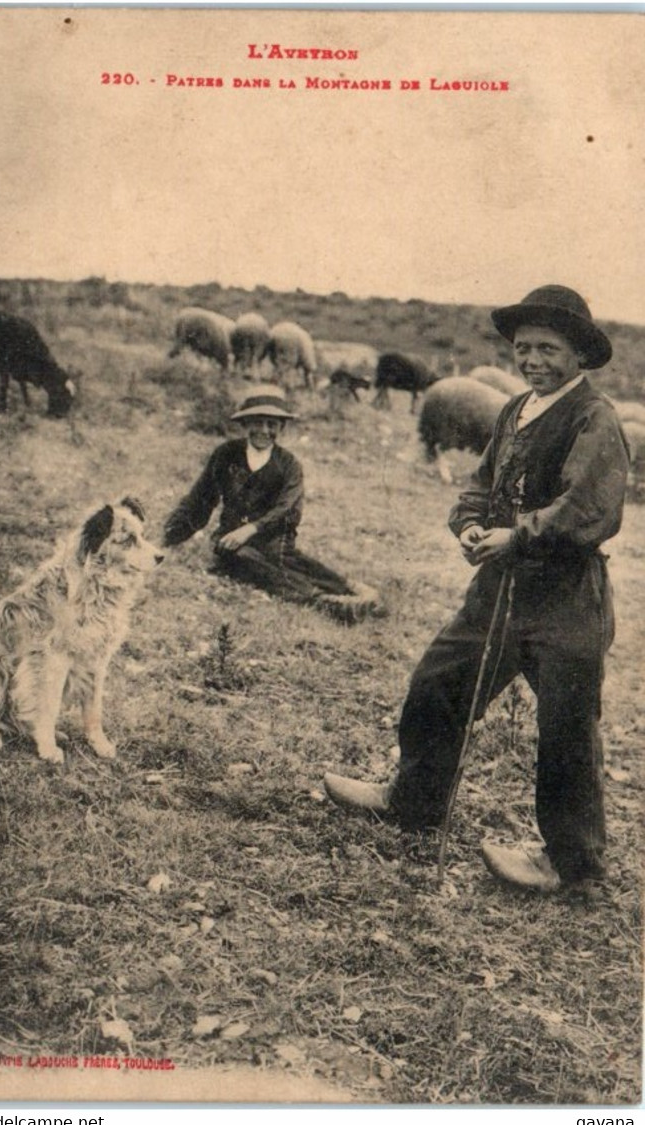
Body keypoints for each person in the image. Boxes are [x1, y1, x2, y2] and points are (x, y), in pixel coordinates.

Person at [324, 285, 630, 892]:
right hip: (497, 589)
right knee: (439, 683)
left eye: (548, 348)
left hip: (566, 598)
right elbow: (479, 485)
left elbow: (591, 507)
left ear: (579, 355)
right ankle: (414, 802)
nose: (533, 359)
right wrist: (468, 525)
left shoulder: (594, 418)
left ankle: (572, 867)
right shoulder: (515, 409)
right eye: (523, 347)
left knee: (567, 729)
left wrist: (514, 536)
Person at [164, 383, 383, 620]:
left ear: (281, 427)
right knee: (242, 557)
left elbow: (286, 508)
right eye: (257, 422)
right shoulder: (226, 454)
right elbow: (200, 500)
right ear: (245, 424)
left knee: (290, 561)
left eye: (272, 424)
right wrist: (168, 537)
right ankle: (319, 601)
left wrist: (252, 528)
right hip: (231, 541)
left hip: (274, 538)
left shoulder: (289, 465)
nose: (264, 430)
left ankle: (351, 590)